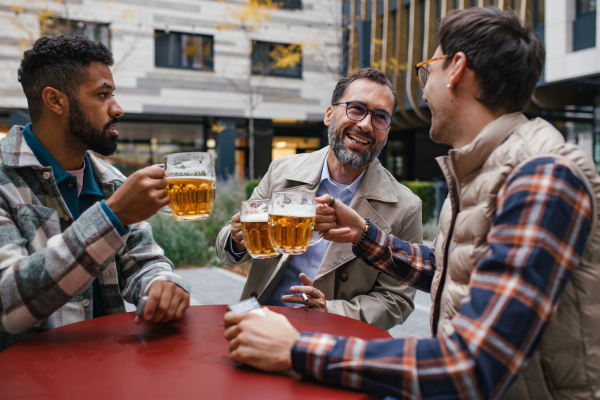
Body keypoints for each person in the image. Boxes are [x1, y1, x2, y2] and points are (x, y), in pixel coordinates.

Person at [224, 7, 600, 399]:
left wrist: (295, 349)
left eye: (427, 71)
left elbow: (469, 365)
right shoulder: (486, 168)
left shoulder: (541, 177)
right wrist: (364, 235)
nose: (422, 91)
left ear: (456, 69)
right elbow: (452, 269)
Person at [0, 36, 190, 352]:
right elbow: (8, 304)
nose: (118, 108)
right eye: (102, 95)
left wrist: (162, 284)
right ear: (55, 101)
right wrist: (112, 217)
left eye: (113, 94)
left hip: (109, 371)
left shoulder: (111, 181)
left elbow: (144, 262)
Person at [216, 68, 422, 331]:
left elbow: (396, 300)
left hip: (334, 339)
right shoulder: (281, 171)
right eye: (356, 109)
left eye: (380, 117)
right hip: (260, 322)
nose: (366, 125)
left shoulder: (406, 206)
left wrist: (330, 311)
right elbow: (226, 250)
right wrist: (236, 239)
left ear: (388, 129)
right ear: (328, 115)